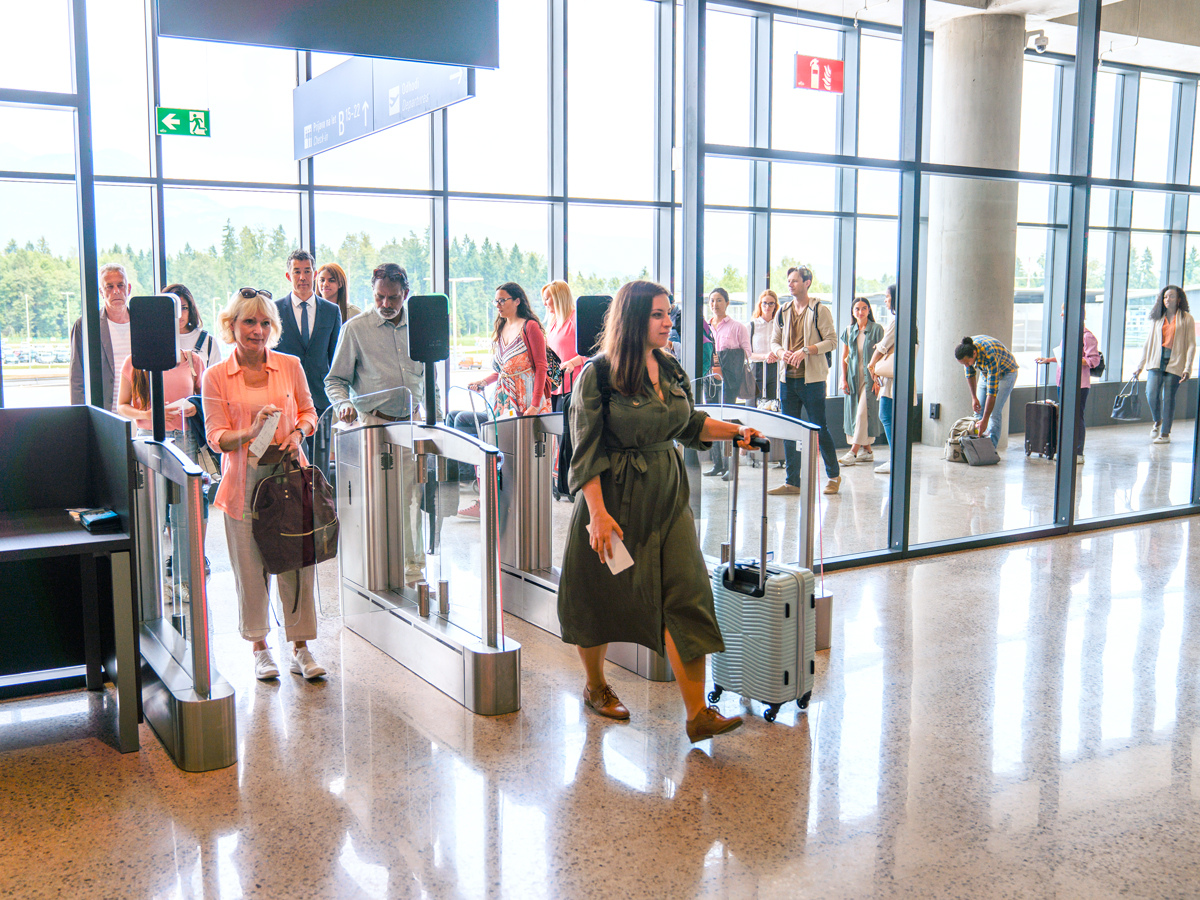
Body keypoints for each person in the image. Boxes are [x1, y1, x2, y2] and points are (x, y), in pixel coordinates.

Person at [558, 279, 762, 742]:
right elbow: (585, 450)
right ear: (633, 320)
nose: (669, 321)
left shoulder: (670, 368)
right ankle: (595, 686)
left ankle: (697, 714)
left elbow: (687, 424)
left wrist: (735, 431)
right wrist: (597, 514)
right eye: (657, 314)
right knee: (598, 597)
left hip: (667, 495)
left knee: (688, 592)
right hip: (610, 499)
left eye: (669, 313)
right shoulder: (599, 374)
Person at [202, 287, 324, 682]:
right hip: (243, 482)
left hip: (288, 473)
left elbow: (308, 410)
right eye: (249, 321)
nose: (257, 330)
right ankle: (259, 648)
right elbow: (215, 436)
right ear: (231, 325)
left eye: (265, 322)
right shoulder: (216, 375)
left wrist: (299, 433)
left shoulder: (289, 365)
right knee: (251, 568)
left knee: (296, 563)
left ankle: (300, 647)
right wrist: (251, 430)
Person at [325, 264, 439, 578]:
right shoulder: (356, 329)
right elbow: (334, 380)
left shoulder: (420, 326)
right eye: (379, 297)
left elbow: (431, 378)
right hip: (372, 425)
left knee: (410, 497)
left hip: (411, 424)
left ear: (406, 294)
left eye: (393, 298)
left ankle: (412, 564)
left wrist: (436, 421)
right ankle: (375, 565)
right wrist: (343, 403)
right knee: (376, 498)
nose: (385, 304)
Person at [452, 282, 552, 518]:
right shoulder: (501, 328)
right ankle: (490, 501)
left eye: (502, 300)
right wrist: (483, 382)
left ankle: (517, 504)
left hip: (527, 397)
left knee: (521, 453)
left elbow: (541, 367)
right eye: (495, 301)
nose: (498, 305)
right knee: (497, 450)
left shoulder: (530, 327)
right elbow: (502, 370)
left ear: (517, 301)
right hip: (503, 399)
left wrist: (535, 403)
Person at [768, 266, 841, 496]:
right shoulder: (784, 310)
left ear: (807, 282)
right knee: (790, 430)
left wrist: (806, 350)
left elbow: (832, 341)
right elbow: (774, 342)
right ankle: (792, 482)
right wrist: (782, 353)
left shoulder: (820, 310)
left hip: (812, 381)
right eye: (789, 281)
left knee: (820, 428)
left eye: (795, 281)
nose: (790, 284)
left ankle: (834, 476)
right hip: (787, 380)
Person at [275, 249, 341, 476]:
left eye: (306, 271)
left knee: (319, 466)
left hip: (321, 399)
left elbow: (335, 359)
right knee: (288, 465)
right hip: (285, 398)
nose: (302, 277)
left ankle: (319, 508)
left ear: (314, 274)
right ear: (288, 276)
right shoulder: (274, 310)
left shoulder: (332, 312)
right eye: (296, 272)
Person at [1035, 308, 1102, 464]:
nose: (1061, 314)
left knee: (1076, 417)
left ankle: (1078, 452)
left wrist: (1074, 359)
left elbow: (1094, 360)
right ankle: (1065, 450)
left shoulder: (1087, 336)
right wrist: (1048, 359)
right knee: (1065, 417)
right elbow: (1063, 358)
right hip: (1063, 382)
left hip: (1079, 384)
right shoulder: (1068, 335)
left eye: (1064, 311)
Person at [1132, 285, 1195, 445]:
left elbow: (1191, 345)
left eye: (1172, 296)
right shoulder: (1157, 317)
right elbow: (1148, 342)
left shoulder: (1186, 318)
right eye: (1166, 297)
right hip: (1155, 360)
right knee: (1151, 393)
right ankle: (1157, 421)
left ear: (1179, 299)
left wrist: (1187, 368)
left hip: (1175, 362)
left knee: (1168, 398)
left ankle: (1165, 433)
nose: (1168, 299)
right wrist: (1140, 365)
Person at [866, 284, 917, 475]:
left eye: (888, 297)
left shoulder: (897, 321)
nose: (886, 300)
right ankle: (898, 458)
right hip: (899, 376)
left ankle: (895, 459)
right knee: (893, 417)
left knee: (886, 415)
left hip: (893, 378)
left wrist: (871, 365)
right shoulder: (910, 320)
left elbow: (883, 346)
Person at [69, 262, 132, 411]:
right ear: (101, 292)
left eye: (120, 285)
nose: (116, 291)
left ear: (128, 289)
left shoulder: (143, 323)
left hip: (141, 416)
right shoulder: (86, 325)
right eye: (109, 286)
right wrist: (79, 417)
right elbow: (77, 376)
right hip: (105, 413)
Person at [705, 287, 752, 480]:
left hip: (730, 381)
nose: (715, 304)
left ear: (727, 303)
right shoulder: (706, 327)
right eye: (712, 301)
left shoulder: (737, 327)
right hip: (710, 380)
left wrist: (726, 358)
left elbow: (747, 352)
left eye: (719, 300)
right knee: (712, 419)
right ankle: (717, 464)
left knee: (727, 422)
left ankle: (730, 467)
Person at [838, 297, 884, 467]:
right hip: (853, 378)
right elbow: (844, 357)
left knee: (862, 412)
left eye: (864, 308)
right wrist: (843, 379)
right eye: (857, 308)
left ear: (869, 310)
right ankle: (868, 451)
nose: (861, 311)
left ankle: (853, 452)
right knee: (857, 413)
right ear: (853, 312)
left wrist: (878, 379)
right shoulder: (849, 331)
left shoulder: (877, 329)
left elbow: (883, 355)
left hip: (871, 379)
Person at [954, 335, 1019, 450]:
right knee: (978, 412)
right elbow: (970, 374)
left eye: (968, 363)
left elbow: (992, 393)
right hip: (986, 372)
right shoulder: (966, 349)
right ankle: (976, 447)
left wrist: (985, 420)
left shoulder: (990, 356)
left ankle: (990, 449)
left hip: (1006, 373)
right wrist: (974, 398)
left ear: (974, 353)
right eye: (963, 364)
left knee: (994, 413)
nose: (967, 365)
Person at [542, 279, 586, 410]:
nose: (544, 303)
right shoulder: (553, 323)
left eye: (547, 299)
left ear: (558, 298)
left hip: (571, 386)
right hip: (554, 387)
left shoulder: (576, 320)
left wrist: (572, 362)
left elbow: (592, 352)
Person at [165, 283, 220, 369]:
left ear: (191, 310)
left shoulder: (208, 342)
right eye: (174, 308)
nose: (179, 314)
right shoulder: (158, 341)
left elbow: (216, 378)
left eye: (184, 308)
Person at [749, 289, 779, 404]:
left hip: (775, 368)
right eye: (764, 303)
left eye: (771, 303)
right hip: (756, 368)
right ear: (760, 305)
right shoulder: (751, 326)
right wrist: (765, 356)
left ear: (775, 305)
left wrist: (774, 355)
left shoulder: (779, 326)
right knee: (754, 405)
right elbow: (747, 354)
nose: (767, 306)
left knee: (773, 406)